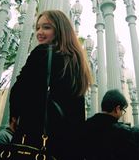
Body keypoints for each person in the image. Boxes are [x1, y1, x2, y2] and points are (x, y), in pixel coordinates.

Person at [9, 10, 93, 159]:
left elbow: (19, 91)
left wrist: (14, 116)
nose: (39, 32)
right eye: (38, 28)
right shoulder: (77, 63)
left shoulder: (41, 53)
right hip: (65, 146)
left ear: (60, 30)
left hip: (35, 139)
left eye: (46, 27)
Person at [79, 89, 139, 160]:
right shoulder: (122, 133)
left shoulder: (86, 126)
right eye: (123, 110)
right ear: (117, 109)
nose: (122, 114)